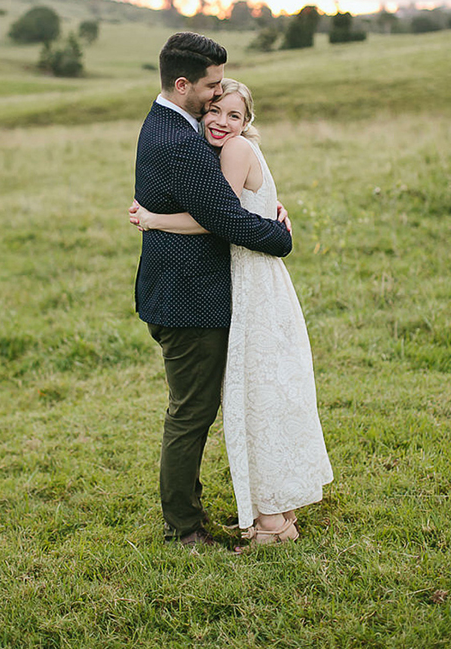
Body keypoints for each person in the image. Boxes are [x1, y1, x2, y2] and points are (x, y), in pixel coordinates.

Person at [131, 79, 333, 546]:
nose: (222, 121)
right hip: (248, 283)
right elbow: (230, 212)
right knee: (260, 396)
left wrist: (153, 218)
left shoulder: (235, 151)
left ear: (247, 123)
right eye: (216, 110)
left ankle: (273, 523)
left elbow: (216, 216)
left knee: (260, 398)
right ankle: (274, 513)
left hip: (254, 285)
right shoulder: (222, 150)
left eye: (234, 115)